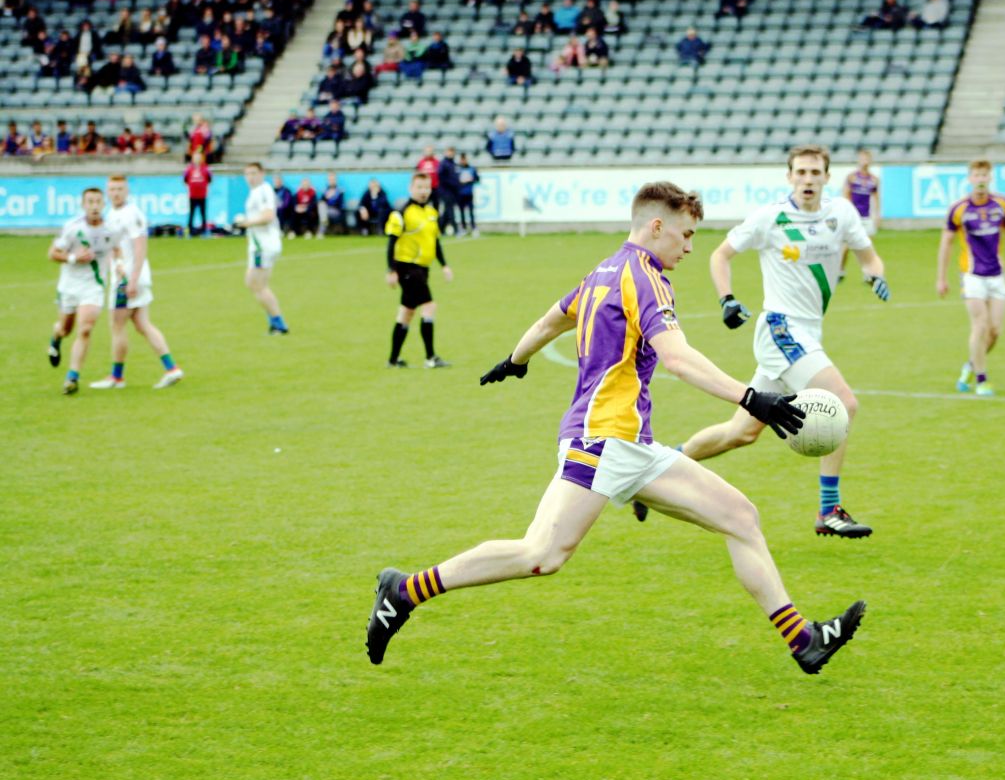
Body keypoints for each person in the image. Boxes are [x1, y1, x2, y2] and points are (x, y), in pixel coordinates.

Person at [364, 181, 867, 674]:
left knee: (739, 516)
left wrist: (516, 359)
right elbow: (677, 358)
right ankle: (404, 590)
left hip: (633, 445)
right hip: (601, 441)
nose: (690, 247)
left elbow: (547, 323)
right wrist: (753, 398)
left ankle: (803, 640)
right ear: (656, 227)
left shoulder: (602, 271)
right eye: (686, 235)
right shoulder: (645, 278)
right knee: (541, 554)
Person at [632, 146, 890, 538]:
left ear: (826, 177)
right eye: (800, 172)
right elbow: (720, 255)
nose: (807, 179)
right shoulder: (771, 218)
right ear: (789, 177)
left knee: (741, 433)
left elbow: (870, 257)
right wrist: (727, 299)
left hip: (806, 332)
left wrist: (875, 274)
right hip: (781, 330)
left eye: (815, 173)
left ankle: (655, 472)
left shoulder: (841, 215)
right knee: (844, 403)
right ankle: (829, 510)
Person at [88, 175, 184, 390]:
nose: (115, 193)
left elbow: (140, 248)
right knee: (142, 324)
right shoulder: (112, 214)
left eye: (120, 189)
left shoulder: (131, 214)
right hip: (127, 276)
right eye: (112, 189)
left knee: (117, 325)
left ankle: (117, 377)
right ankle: (171, 368)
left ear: (127, 190)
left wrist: (132, 280)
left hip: (128, 279)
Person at [935, 159, 1005, 397]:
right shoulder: (959, 208)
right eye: (976, 175)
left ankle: (970, 366)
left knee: (994, 332)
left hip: (997, 275)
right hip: (972, 275)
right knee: (980, 324)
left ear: (990, 177)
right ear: (970, 178)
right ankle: (982, 380)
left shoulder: (1002, 204)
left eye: (985, 175)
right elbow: (946, 243)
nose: (981, 179)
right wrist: (941, 277)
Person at [46, 187, 124, 395]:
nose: (94, 206)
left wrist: (119, 263)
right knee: (66, 329)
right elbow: (52, 253)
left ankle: (72, 377)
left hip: (94, 286)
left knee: (86, 328)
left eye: (98, 201)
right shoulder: (72, 228)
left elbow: (116, 248)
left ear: (103, 204)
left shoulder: (111, 229)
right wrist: (73, 258)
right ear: (83, 205)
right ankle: (56, 337)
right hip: (69, 286)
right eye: (90, 202)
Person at [384, 171, 452, 369]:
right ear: (411, 188)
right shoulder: (402, 213)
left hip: (423, 269)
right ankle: (431, 358)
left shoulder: (431, 213)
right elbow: (391, 243)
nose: (424, 191)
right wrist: (391, 270)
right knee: (429, 306)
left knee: (406, 313)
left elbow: (435, 241)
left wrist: (444, 265)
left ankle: (393, 360)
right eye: (419, 187)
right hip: (407, 268)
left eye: (426, 187)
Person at [232, 163, 289, 335]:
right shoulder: (256, 191)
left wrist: (246, 223)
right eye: (247, 174)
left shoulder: (263, 190)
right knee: (258, 284)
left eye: (254, 173)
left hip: (263, 245)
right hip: (262, 243)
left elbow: (268, 216)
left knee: (255, 283)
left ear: (262, 173)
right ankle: (275, 323)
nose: (250, 177)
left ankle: (278, 323)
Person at [839, 148, 881, 281]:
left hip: (866, 217)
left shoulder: (874, 179)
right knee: (846, 247)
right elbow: (845, 195)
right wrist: (846, 213)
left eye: (867, 158)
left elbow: (876, 198)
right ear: (859, 160)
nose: (865, 161)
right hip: (853, 217)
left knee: (867, 246)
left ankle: (869, 273)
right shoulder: (852, 177)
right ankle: (840, 270)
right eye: (863, 158)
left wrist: (877, 215)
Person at [183, 150, 211, 236]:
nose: (197, 159)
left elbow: (209, 179)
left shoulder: (205, 168)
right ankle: (190, 231)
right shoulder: (189, 169)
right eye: (195, 157)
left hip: (202, 195)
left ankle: (204, 231)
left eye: (199, 157)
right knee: (192, 213)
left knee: (203, 214)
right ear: (192, 158)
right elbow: (185, 179)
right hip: (192, 195)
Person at [436, 146, 461, 236]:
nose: (451, 154)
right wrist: (451, 183)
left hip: (453, 191)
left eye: (452, 152)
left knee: (447, 210)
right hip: (445, 190)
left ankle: (440, 228)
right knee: (450, 210)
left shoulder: (453, 163)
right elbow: (441, 176)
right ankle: (456, 229)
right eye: (449, 152)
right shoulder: (443, 164)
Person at [456, 153, 479, 237]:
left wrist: (471, 179)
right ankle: (463, 228)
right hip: (460, 194)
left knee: (471, 211)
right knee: (461, 212)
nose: (463, 161)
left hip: (469, 193)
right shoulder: (457, 169)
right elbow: (454, 180)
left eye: (464, 159)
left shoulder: (472, 169)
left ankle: (473, 228)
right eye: (462, 159)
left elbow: (477, 179)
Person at [320, 172, 346, 236]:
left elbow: (341, 204)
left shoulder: (340, 190)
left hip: (336, 211)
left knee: (323, 211)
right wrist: (326, 197)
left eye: (333, 179)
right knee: (321, 207)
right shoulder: (325, 191)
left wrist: (333, 198)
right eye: (330, 179)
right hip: (325, 211)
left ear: (336, 180)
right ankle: (323, 226)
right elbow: (321, 202)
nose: (331, 181)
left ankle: (322, 230)